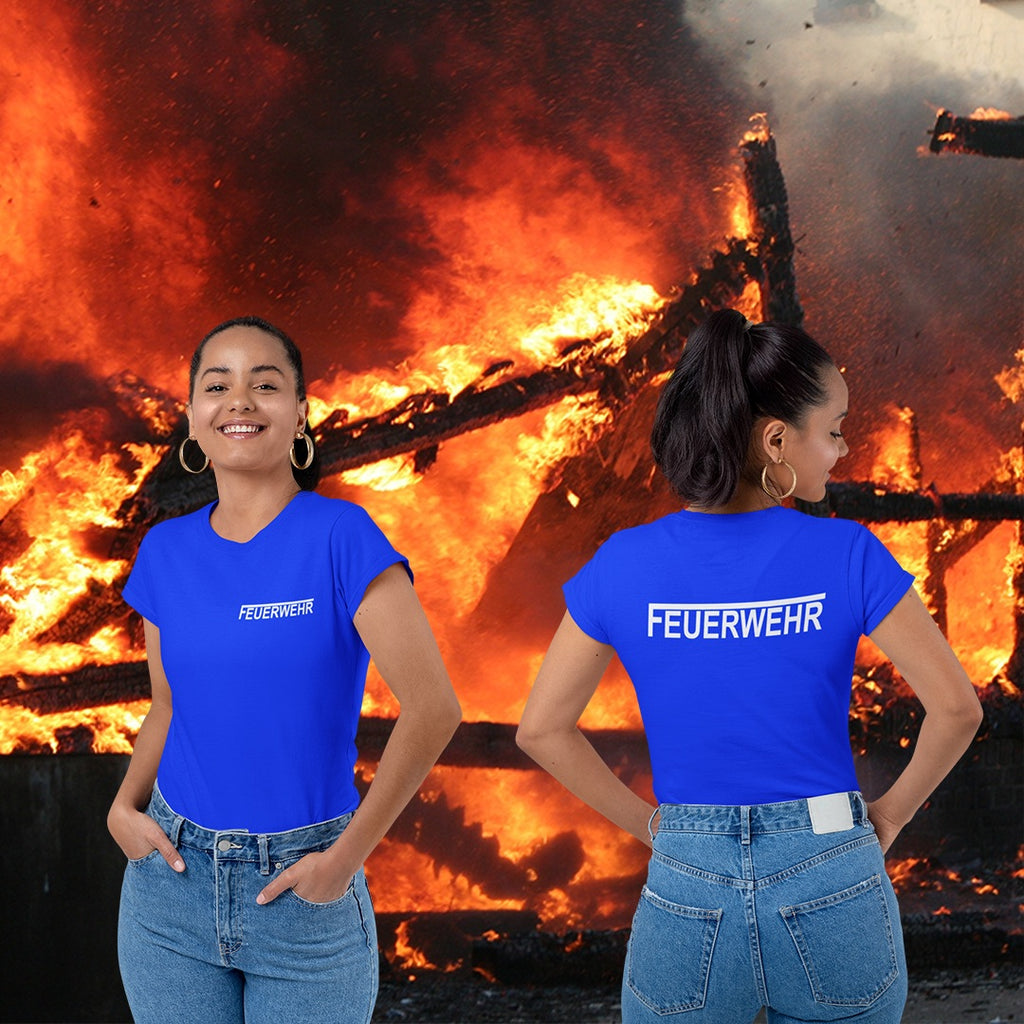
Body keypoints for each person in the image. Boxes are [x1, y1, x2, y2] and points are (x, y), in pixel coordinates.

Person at [516, 309, 982, 1023]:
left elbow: (542, 730)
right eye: (832, 430)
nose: (842, 448)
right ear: (776, 441)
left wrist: (655, 829)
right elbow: (957, 710)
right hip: (832, 861)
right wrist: (887, 817)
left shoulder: (624, 563)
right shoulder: (847, 554)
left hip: (689, 879)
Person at [108, 316, 461, 1024]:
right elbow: (168, 706)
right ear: (192, 418)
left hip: (305, 891)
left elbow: (434, 709)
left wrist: (345, 861)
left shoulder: (343, 537)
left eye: (264, 385)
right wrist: (122, 807)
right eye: (218, 385)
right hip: (169, 892)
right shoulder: (165, 552)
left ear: (300, 414)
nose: (239, 401)